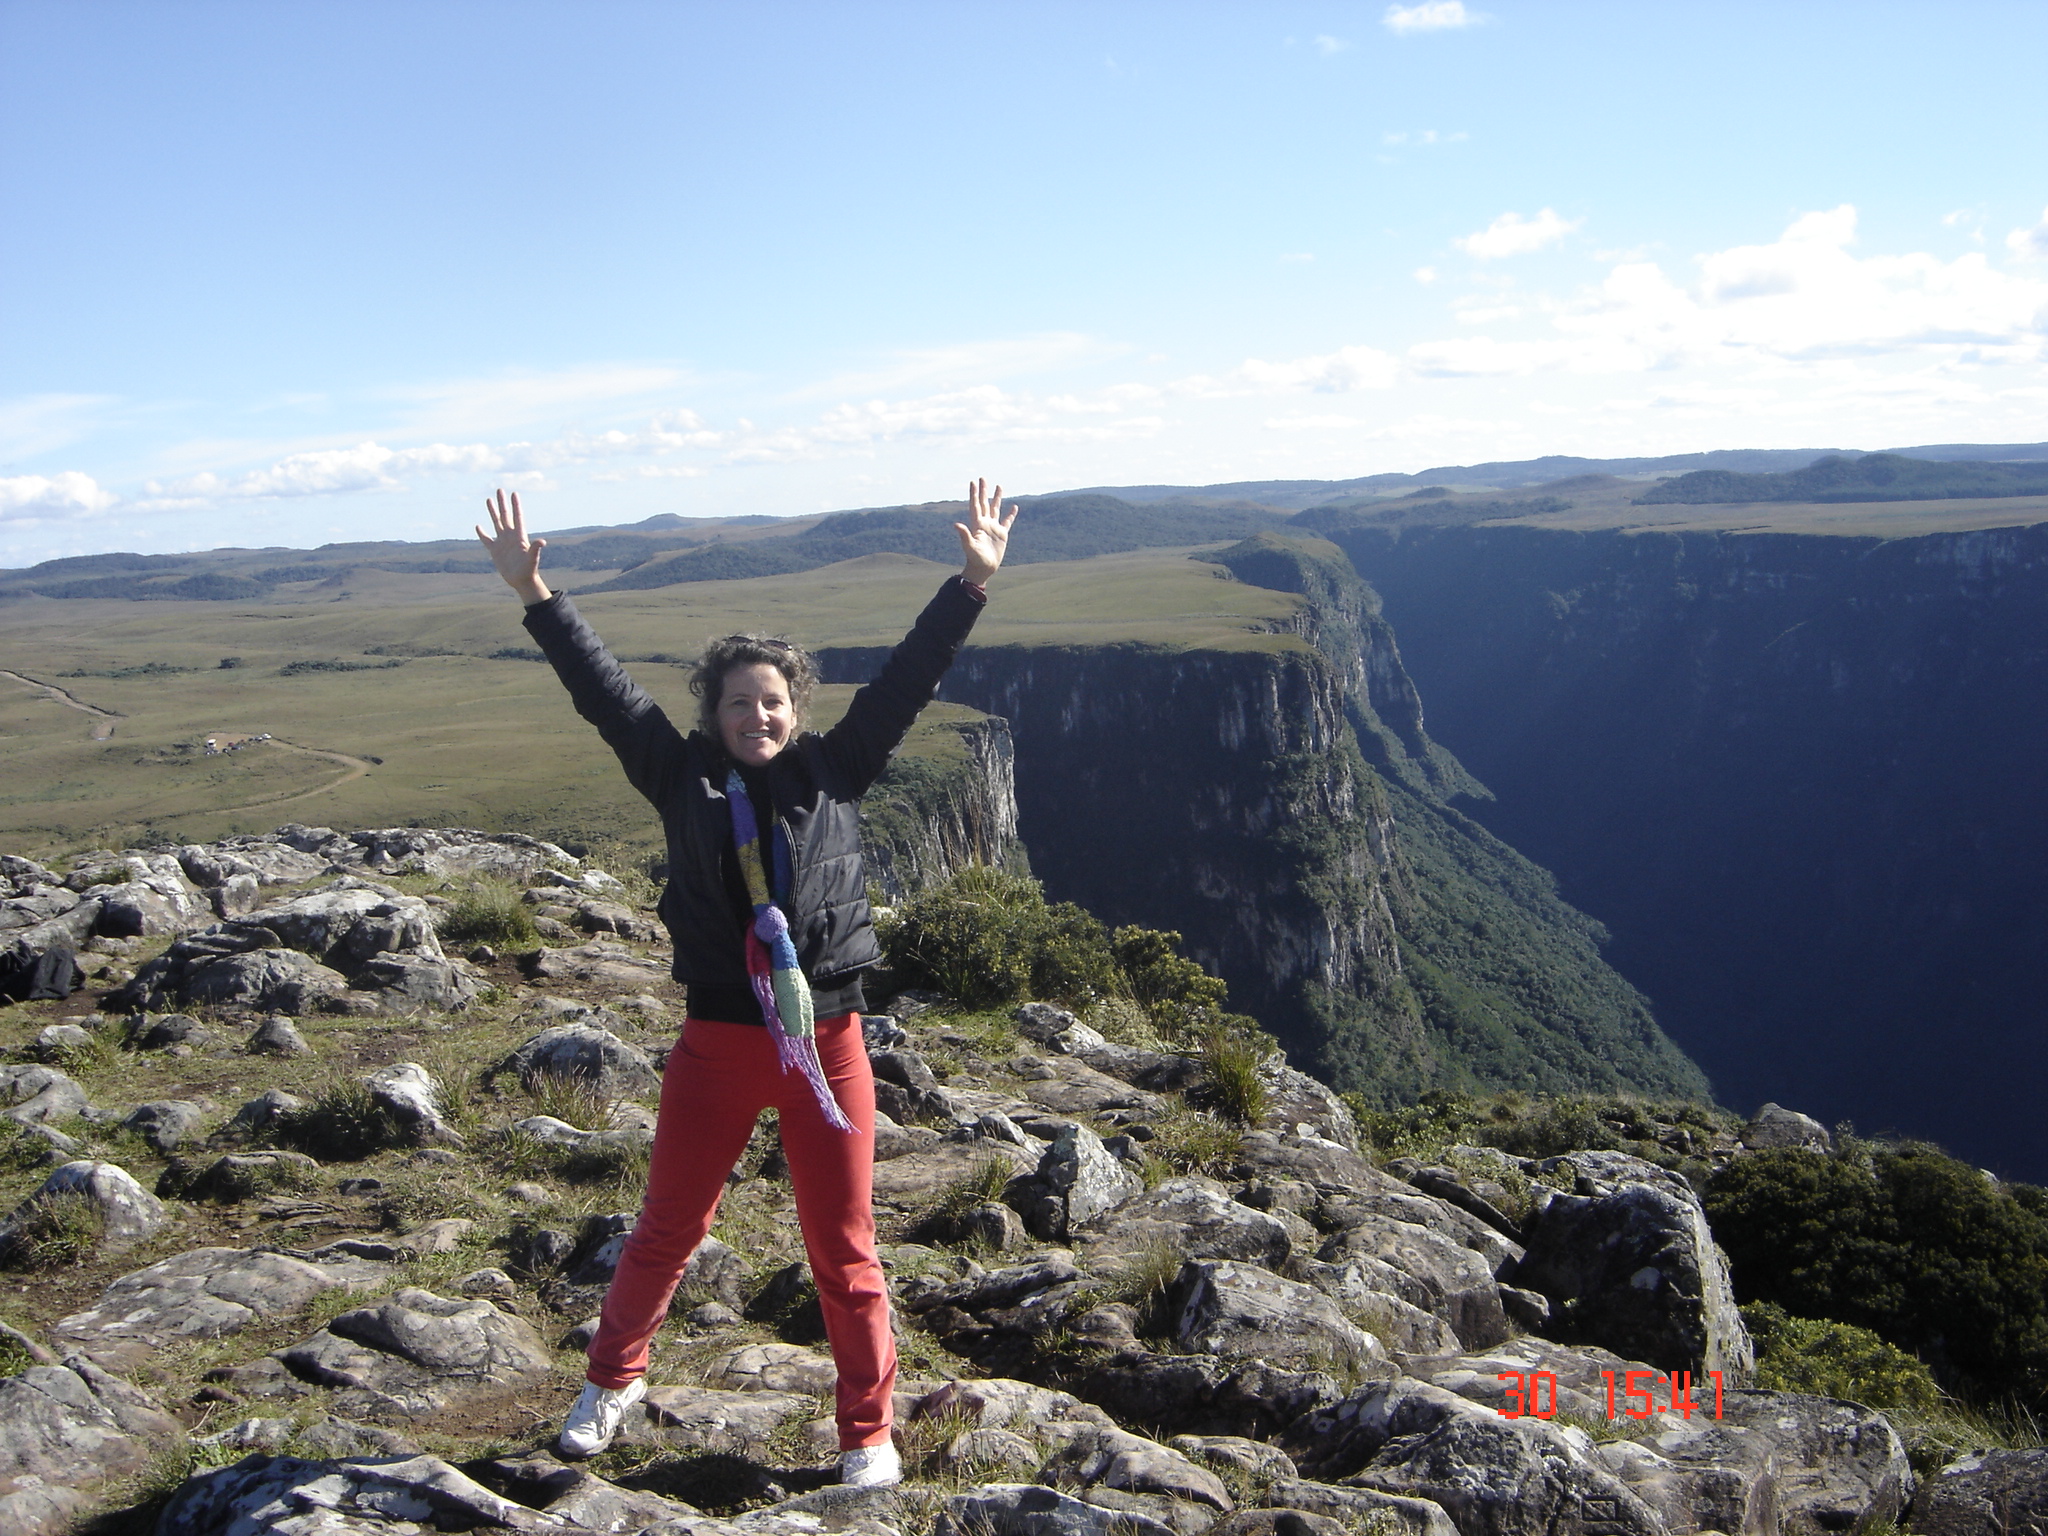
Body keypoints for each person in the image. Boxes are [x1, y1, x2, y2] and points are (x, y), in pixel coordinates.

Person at [475, 480, 1018, 1486]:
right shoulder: (676, 775)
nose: (756, 716)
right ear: (712, 716)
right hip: (719, 1043)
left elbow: (906, 680)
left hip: (829, 1045)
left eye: (772, 702)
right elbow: (603, 692)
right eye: (738, 703)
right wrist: (536, 594)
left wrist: (969, 584)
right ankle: (609, 1382)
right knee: (666, 1228)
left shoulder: (833, 771)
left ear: (794, 711)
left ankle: (866, 1433)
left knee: (844, 1250)